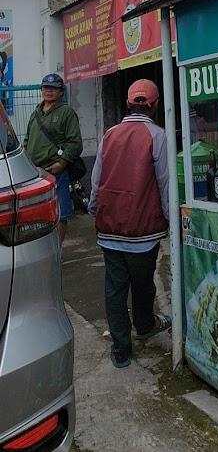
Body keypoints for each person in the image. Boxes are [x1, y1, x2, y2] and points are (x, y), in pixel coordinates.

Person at [88, 79, 171, 369]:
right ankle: (145, 326)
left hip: (109, 228)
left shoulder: (109, 134)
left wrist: (94, 208)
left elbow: (97, 179)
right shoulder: (157, 135)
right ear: (155, 105)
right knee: (143, 284)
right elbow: (164, 182)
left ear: (127, 104)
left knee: (114, 288)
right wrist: (170, 217)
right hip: (143, 230)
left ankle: (121, 349)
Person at [24, 72, 83, 243]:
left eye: (53, 88)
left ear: (61, 92)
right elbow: (27, 139)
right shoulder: (35, 113)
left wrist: (62, 162)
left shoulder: (66, 112)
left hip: (55, 172)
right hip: (35, 174)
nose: (49, 91)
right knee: (36, 216)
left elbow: (75, 143)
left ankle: (57, 252)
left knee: (61, 213)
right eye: (46, 87)